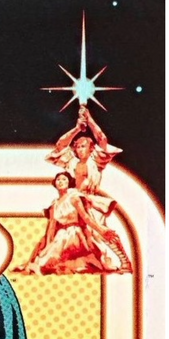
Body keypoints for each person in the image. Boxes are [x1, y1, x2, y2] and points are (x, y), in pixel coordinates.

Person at [46, 106, 132, 272]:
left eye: (83, 146)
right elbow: (60, 145)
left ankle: (125, 261)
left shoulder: (96, 161)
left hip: (89, 202)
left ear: (91, 148)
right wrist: (77, 129)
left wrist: (90, 119)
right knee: (69, 234)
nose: (79, 149)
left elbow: (101, 138)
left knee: (100, 231)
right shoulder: (71, 162)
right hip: (72, 202)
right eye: (77, 147)